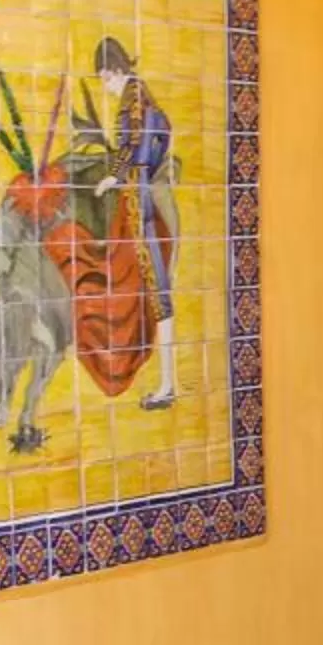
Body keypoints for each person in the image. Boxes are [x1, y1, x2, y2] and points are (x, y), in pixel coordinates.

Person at [93, 35, 182, 409]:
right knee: (158, 292)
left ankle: (167, 383)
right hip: (145, 193)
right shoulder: (143, 95)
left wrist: (113, 176)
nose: (107, 89)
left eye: (105, 80)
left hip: (141, 197)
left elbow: (134, 148)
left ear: (113, 71)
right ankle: (167, 381)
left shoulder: (133, 99)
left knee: (159, 293)